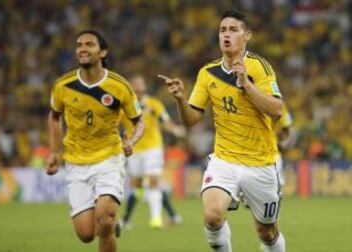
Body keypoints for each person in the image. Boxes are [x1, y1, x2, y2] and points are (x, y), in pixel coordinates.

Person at [158, 9, 286, 252]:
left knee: (267, 232)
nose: (226, 35)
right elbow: (190, 120)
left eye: (233, 30)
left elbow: (277, 110)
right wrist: (180, 100)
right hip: (224, 159)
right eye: (222, 30)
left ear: (247, 36)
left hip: (260, 163)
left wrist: (246, 84)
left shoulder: (259, 67)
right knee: (213, 216)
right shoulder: (207, 73)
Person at [46, 30, 144, 252]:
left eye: (89, 44)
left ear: (103, 52)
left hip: (109, 159)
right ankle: (110, 222)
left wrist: (132, 141)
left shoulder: (120, 86)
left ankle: (109, 219)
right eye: (79, 44)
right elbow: (54, 116)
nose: (82, 48)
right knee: (86, 234)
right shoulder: (63, 85)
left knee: (104, 220)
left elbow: (139, 121)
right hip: (75, 162)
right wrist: (54, 151)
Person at [119, 75, 185, 229]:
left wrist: (174, 129)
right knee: (136, 185)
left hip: (153, 148)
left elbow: (165, 120)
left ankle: (155, 219)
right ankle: (126, 220)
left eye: (140, 83)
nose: (137, 86)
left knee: (153, 180)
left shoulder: (154, 103)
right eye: (134, 83)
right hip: (134, 149)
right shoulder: (125, 106)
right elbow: (114, 122)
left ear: (144, 86)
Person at [273, 104, 294, 190]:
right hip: (252, 152)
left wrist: (285, 143)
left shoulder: (280, 106)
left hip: (273, 153)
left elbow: (289, 129)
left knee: (278, 184)